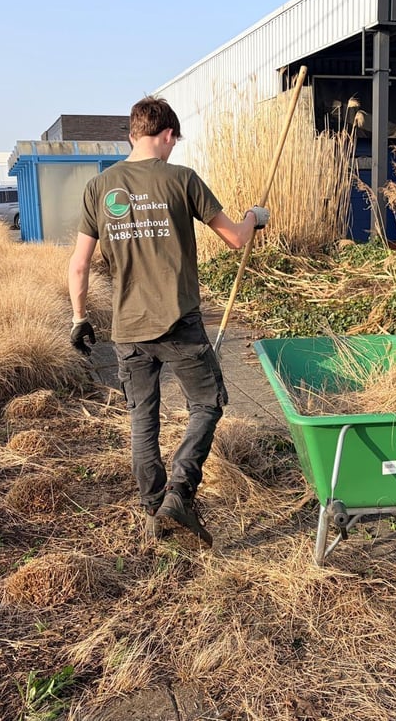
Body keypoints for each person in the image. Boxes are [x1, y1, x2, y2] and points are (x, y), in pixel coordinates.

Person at [68, 96, 269, 549]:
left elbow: (78, 266)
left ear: (131, 134)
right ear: (167, 135)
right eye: (173, 140)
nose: (172, 147)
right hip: (179, 323)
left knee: (143, 418)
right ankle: (179, 494)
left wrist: (79, 319)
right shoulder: (182, 180)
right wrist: (256, 217)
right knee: (208, 402)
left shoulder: (99, 187)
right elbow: (236, 238)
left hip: (128, 329)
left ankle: (153, 509)